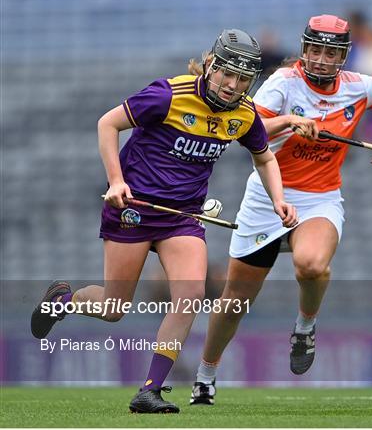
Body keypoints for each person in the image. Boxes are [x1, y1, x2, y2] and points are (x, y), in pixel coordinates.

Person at [30, 29, 297, 413]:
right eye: (226, 74)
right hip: (133, 210)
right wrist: (117, 180)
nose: (232, 84)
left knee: (189, 297)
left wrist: (279, 200)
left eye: (242, 78)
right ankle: (63, 301)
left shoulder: (243, 113)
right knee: (113, 308)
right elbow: (108, 123)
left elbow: (264, 156)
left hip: (183, 218)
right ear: (210, 65)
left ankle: (150, 390)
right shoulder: (169, 94)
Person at [190, 14, 372, 405]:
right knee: (236, 300)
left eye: (331, 52)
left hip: (320, 197)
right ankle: (206, 375)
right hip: (268, 195)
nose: (321, 59)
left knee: (311, 265)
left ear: (343, 56)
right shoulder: (283, 84)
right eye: (315, 50)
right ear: (305, 50)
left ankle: (304, 328)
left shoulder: (360, 87)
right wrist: (290, 122)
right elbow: (244, 129)